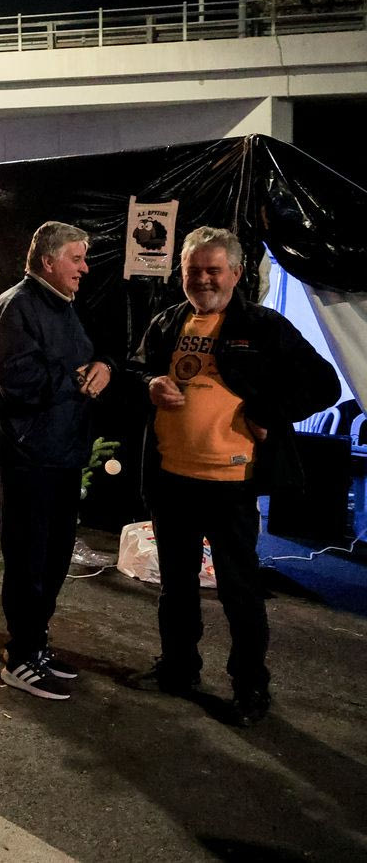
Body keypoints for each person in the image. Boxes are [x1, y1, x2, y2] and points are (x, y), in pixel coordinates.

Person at [132, 226, 338, 726]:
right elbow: (133, 369)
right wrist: (151, 382)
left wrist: (268, 410)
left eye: (213, 270)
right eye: (193, 271)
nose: (203, 279)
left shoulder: (263, 326)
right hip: (171, 478)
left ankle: (250, 687)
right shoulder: (166, 322)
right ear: (181, 274)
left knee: (238, 591)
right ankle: (178, 670)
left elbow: (324, 384)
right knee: (176, 587)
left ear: (236, 273)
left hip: (231, 484)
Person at [0, 222, 114, 701]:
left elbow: (82, 362)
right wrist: (79, 379)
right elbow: (17, 382)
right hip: (27, 459)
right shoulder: (15, 308)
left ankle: (35, 644)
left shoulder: (62, 307)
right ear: (47, 261)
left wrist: (103, 368)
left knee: (54, 558)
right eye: (76, 258)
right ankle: (20, 658)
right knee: (29, 559)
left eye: (83, 258)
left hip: (62, 454)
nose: (85, 267)